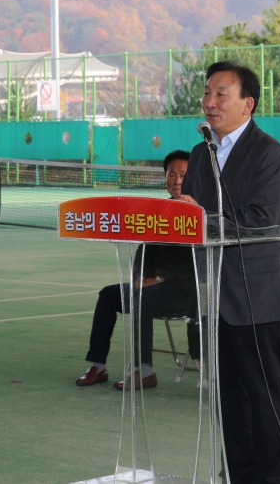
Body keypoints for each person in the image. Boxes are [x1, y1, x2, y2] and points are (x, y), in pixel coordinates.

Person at [179, 61, 280, 484]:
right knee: (228, 397)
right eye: (207, 93)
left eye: (220, 94)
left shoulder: (270, 154)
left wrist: (201, 217)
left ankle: (272, 478)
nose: (210, 102)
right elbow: (190, 215)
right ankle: (237, 475)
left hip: (258, 295)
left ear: (248, 104)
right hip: (215, 295)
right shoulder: (200, 153)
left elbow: (261, 220)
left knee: (265, 398)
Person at [75, 150, 200, 390]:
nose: (177, 180)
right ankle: (98, 366)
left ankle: (145, 372)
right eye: (171, 174)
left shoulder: (202, 213)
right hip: (155, 289)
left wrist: (159, 279)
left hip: (188, 294)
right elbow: (145, 251)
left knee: (141, 297)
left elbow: (196, 264)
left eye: (183, 175)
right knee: (108, 295)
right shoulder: (160, 210)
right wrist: (139, 277)